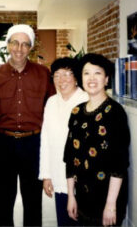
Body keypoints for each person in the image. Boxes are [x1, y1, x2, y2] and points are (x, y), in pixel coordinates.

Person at [0, 24, 54, 226]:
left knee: (33, 200)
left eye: (25, 44)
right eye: (15, 42)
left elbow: (51, 106)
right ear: (8, 45)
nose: (19, 48)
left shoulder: (43, 74)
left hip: (34, 143)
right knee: (3, 199)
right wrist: (0, 129)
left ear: (30, 48)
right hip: (4, 143)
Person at [64, 53, 130, 226]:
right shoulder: (76, 112)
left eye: (98, 73)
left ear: (107, 79)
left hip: (108, 199)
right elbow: (70, 157)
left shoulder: (115, 113)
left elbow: (119, 164)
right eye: (86, 73)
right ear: (81, 78)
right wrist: (71, 196)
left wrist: (110, 205)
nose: (91, 78)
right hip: (83, 198)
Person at [39, 57, 88, 226]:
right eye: (57, 75)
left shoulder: (86, 100)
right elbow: (45, 139)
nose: (62, 80)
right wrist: (46, 175)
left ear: (76, 78)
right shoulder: (52, 102)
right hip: (59, 175)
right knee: (64, 221)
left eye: (67, 74)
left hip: (83, 179)